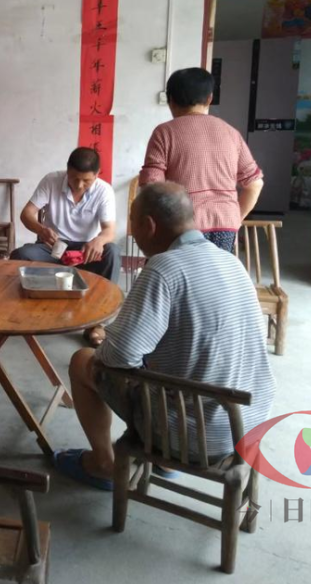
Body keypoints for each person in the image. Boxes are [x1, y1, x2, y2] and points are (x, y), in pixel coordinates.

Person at [53, 183, 275, 489]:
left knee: (83, 360)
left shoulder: (163, 268)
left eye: (133, 223)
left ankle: (104, 464)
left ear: (149, 225)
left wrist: (113, 342)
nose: (132, 233)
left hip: (194, 438)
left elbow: (118, 356)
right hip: (247, 425)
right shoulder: (230, 261)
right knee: (178, 363)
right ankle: (164, 462)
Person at [139, 67, 264, 252]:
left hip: (181, 226)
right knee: (213, 272)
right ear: (209, 98)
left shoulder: (164, 132)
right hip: (225, 225)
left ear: (170, 100)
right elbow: (255, 184)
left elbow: (152, 188)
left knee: (177, 271)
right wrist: (235, 219)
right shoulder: (231, 133)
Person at [12, 147, 120, 344]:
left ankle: (98, 324)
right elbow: (26, 214)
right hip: (53, 247)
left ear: (97, 174)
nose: (79, 185)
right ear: (67, 169)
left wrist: (99, 240)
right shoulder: (51, 180)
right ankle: (25, 312)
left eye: (86, 180)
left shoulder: (104, 191)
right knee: (21, 255)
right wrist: (41, 229)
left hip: (85, 250)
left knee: (112, 252)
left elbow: (109, 231)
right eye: (74, 178)